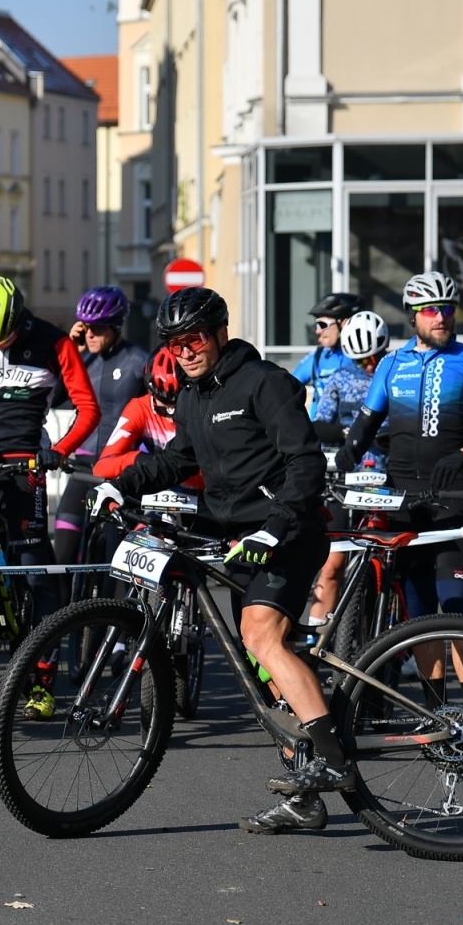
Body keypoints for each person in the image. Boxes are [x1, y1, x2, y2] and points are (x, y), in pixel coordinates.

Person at [89, 286, 339, 834]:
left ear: (219, 332)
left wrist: (276, 527)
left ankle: (331, 759)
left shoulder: (264, 382)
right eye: (176, 344)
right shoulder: (192, 396)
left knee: (260, 636)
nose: (186, 351)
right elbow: (178, 458)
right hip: (237, 537)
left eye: (195, 339)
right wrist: (118, 484)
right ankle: (305, 794)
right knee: (264, 661)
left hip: (288, 533)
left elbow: (304, 463)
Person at [335, 271, 463, 718]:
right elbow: (361, 431)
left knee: (458, 609)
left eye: (448, 308)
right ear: (414, 316)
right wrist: (339, 459)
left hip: (452, 503)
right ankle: (437, 715)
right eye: (431, 310)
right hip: (402, 507)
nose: (441, 317)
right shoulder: (390, 365)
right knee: (418, 620)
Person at [0, 276, 99, 713]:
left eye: (1, 338)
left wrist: (58, 452)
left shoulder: (54, 341)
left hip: (24, 464)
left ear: (18, 319)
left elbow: (89, 408)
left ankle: (43, 678)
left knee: (33, 568)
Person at [51, 285, 148, 573]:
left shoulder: (138, 361)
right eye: (85, 327)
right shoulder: (82, 358)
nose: (90, 334)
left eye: (98, 328)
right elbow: (53, 397)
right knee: (62, 556)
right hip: (82, 468)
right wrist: (71, 351)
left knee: (116, 564)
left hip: (121, 473)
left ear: (117, 326)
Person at [306, 310, 390, 624]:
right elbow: (319, 425)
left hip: (387, 477)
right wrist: (351, 434)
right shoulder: (341, 377)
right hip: (346, 478)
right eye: (361, 360)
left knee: (389, 557)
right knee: (331, 566)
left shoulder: (396, 372)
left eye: (374, 358)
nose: (369, 366)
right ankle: (316, 643)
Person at [93, 346, 201, 489]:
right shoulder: (140, 407)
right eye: (164, 407)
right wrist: (139, 458)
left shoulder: (203, 409)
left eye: (177, 408)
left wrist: (166, 470)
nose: (170, 414)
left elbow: (214, 477)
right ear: (150, 391)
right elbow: (101, 467)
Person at [292, 292, 363, 418]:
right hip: (319, 432)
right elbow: (286, 388)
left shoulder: (363, 358)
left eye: (323, 325)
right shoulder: (317, 356)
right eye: (317, 324)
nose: (317, 331)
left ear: (344, 324)